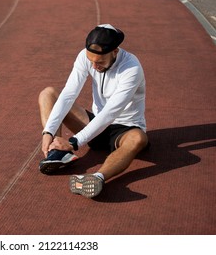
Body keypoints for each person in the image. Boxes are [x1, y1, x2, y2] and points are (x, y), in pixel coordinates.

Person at [38, 24, 149, 199]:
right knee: (48, 94)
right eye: (91, 61)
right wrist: (49, 131)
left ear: (115, 52)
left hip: (124, 129)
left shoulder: (131, 69)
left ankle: (97, 178)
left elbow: (111, 112)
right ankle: (57, 153)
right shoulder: (85, 57)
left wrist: (74, 142)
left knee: (139, 139)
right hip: (95, 123)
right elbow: (69, 94)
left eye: (100, 62)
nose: (94, 66)